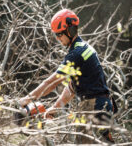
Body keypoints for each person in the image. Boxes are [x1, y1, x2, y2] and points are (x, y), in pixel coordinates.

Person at [19, 9, 115, 144]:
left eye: (59, 34)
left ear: (70, 31)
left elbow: (51, 83)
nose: (58, 38)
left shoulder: (77, 53)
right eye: (56, 35)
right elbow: (72, 88)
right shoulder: (82, 48)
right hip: (98, 104)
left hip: (94, 106)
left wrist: (26, 99)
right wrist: (55, 107)